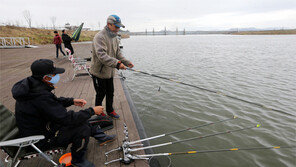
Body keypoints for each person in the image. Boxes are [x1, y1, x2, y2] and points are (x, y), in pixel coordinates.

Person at [12, 59, 116, 167]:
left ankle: (100, 136)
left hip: (43, 127)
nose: (57, 76)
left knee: (80, 118)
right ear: (46, 77)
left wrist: (71, 101)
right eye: (54, 74)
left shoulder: (33, 85)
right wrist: (92, 111)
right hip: (39, 140)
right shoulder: (39, 96)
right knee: (81, 127)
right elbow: (66, 118)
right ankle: (78, 160)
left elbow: (52, 102)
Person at [90, 15, 134, 119]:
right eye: (116, 27)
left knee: (110, 92)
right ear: (109, 24)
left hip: (109, 72)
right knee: (100, 94)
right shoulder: (99, 37)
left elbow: (118, 53)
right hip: (99, 72)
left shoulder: (114, 37)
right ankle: (98, 112)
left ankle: (110, 110)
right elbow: (102, 56)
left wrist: (126, 62)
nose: (118, 29)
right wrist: (118, 64)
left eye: (119, 27)